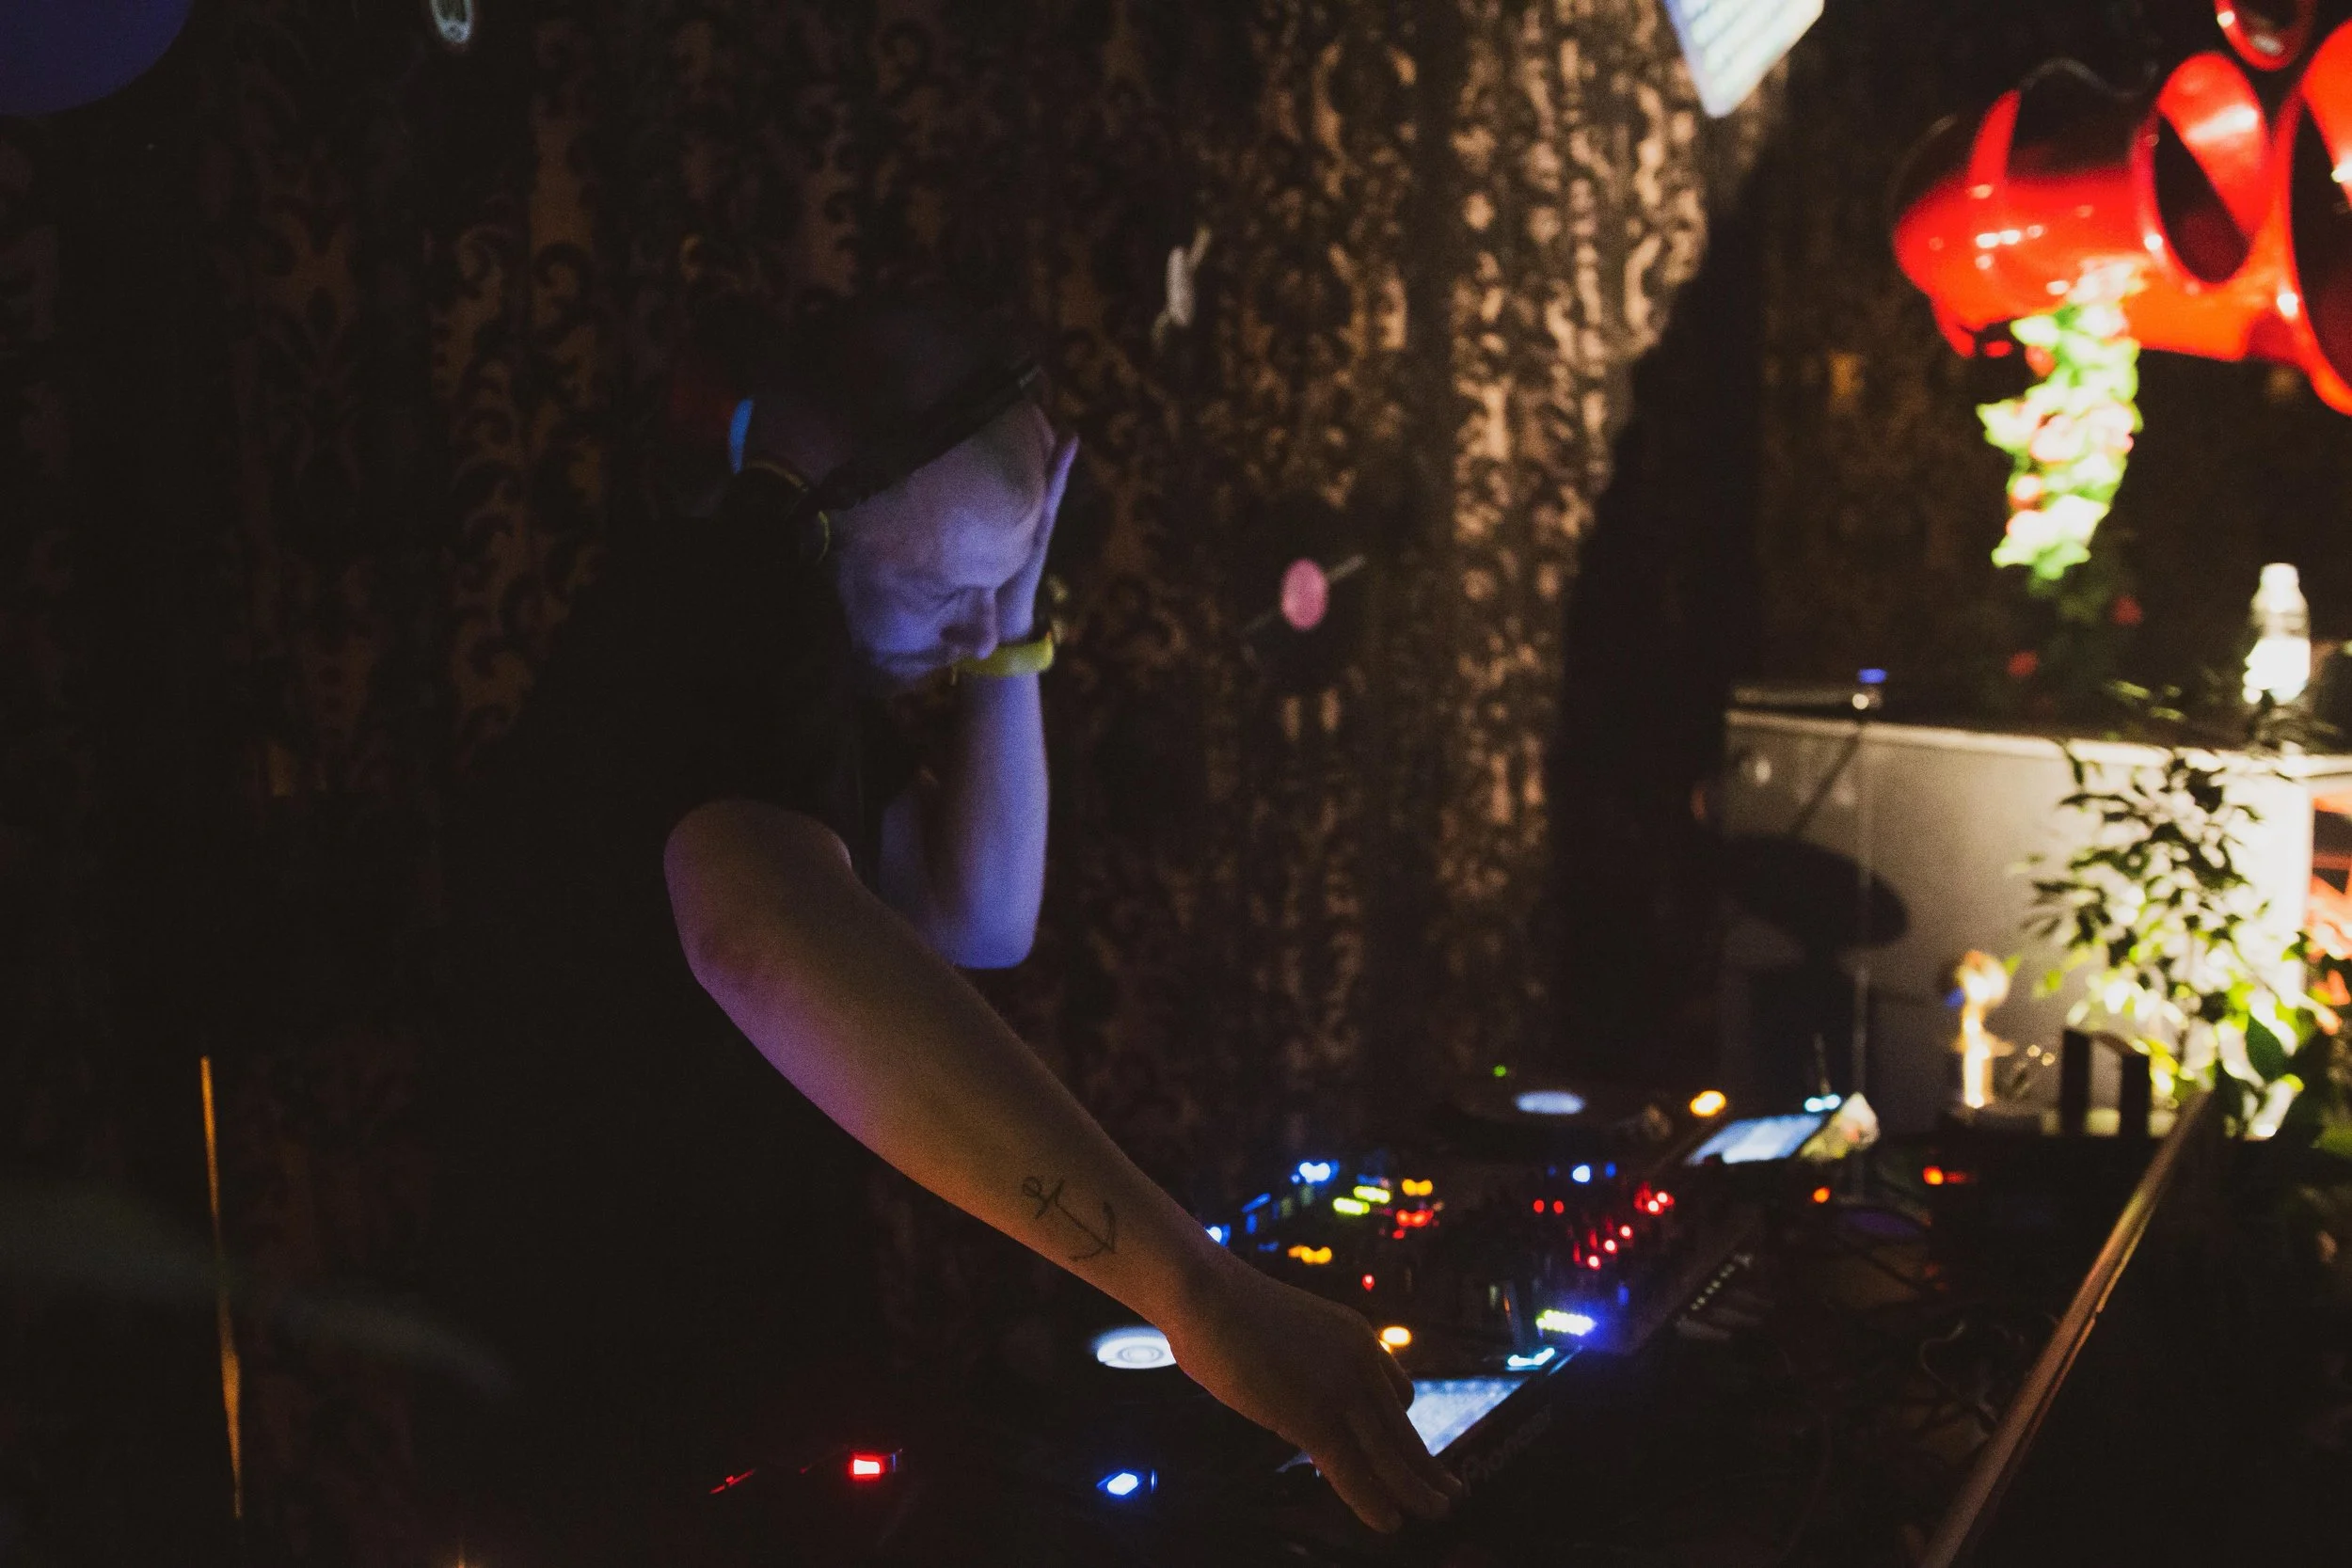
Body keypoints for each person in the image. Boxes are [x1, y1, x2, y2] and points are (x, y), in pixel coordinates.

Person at [438, 287, 1457, 1540]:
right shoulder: (742, 595)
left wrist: (1010, 620)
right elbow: (762, 938)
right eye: (948, 593)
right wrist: (1197, 1293)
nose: (974, 629)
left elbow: (980, 911)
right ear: (823, 488)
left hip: (690, 1394)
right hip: (617, 1406)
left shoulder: (775, 617)